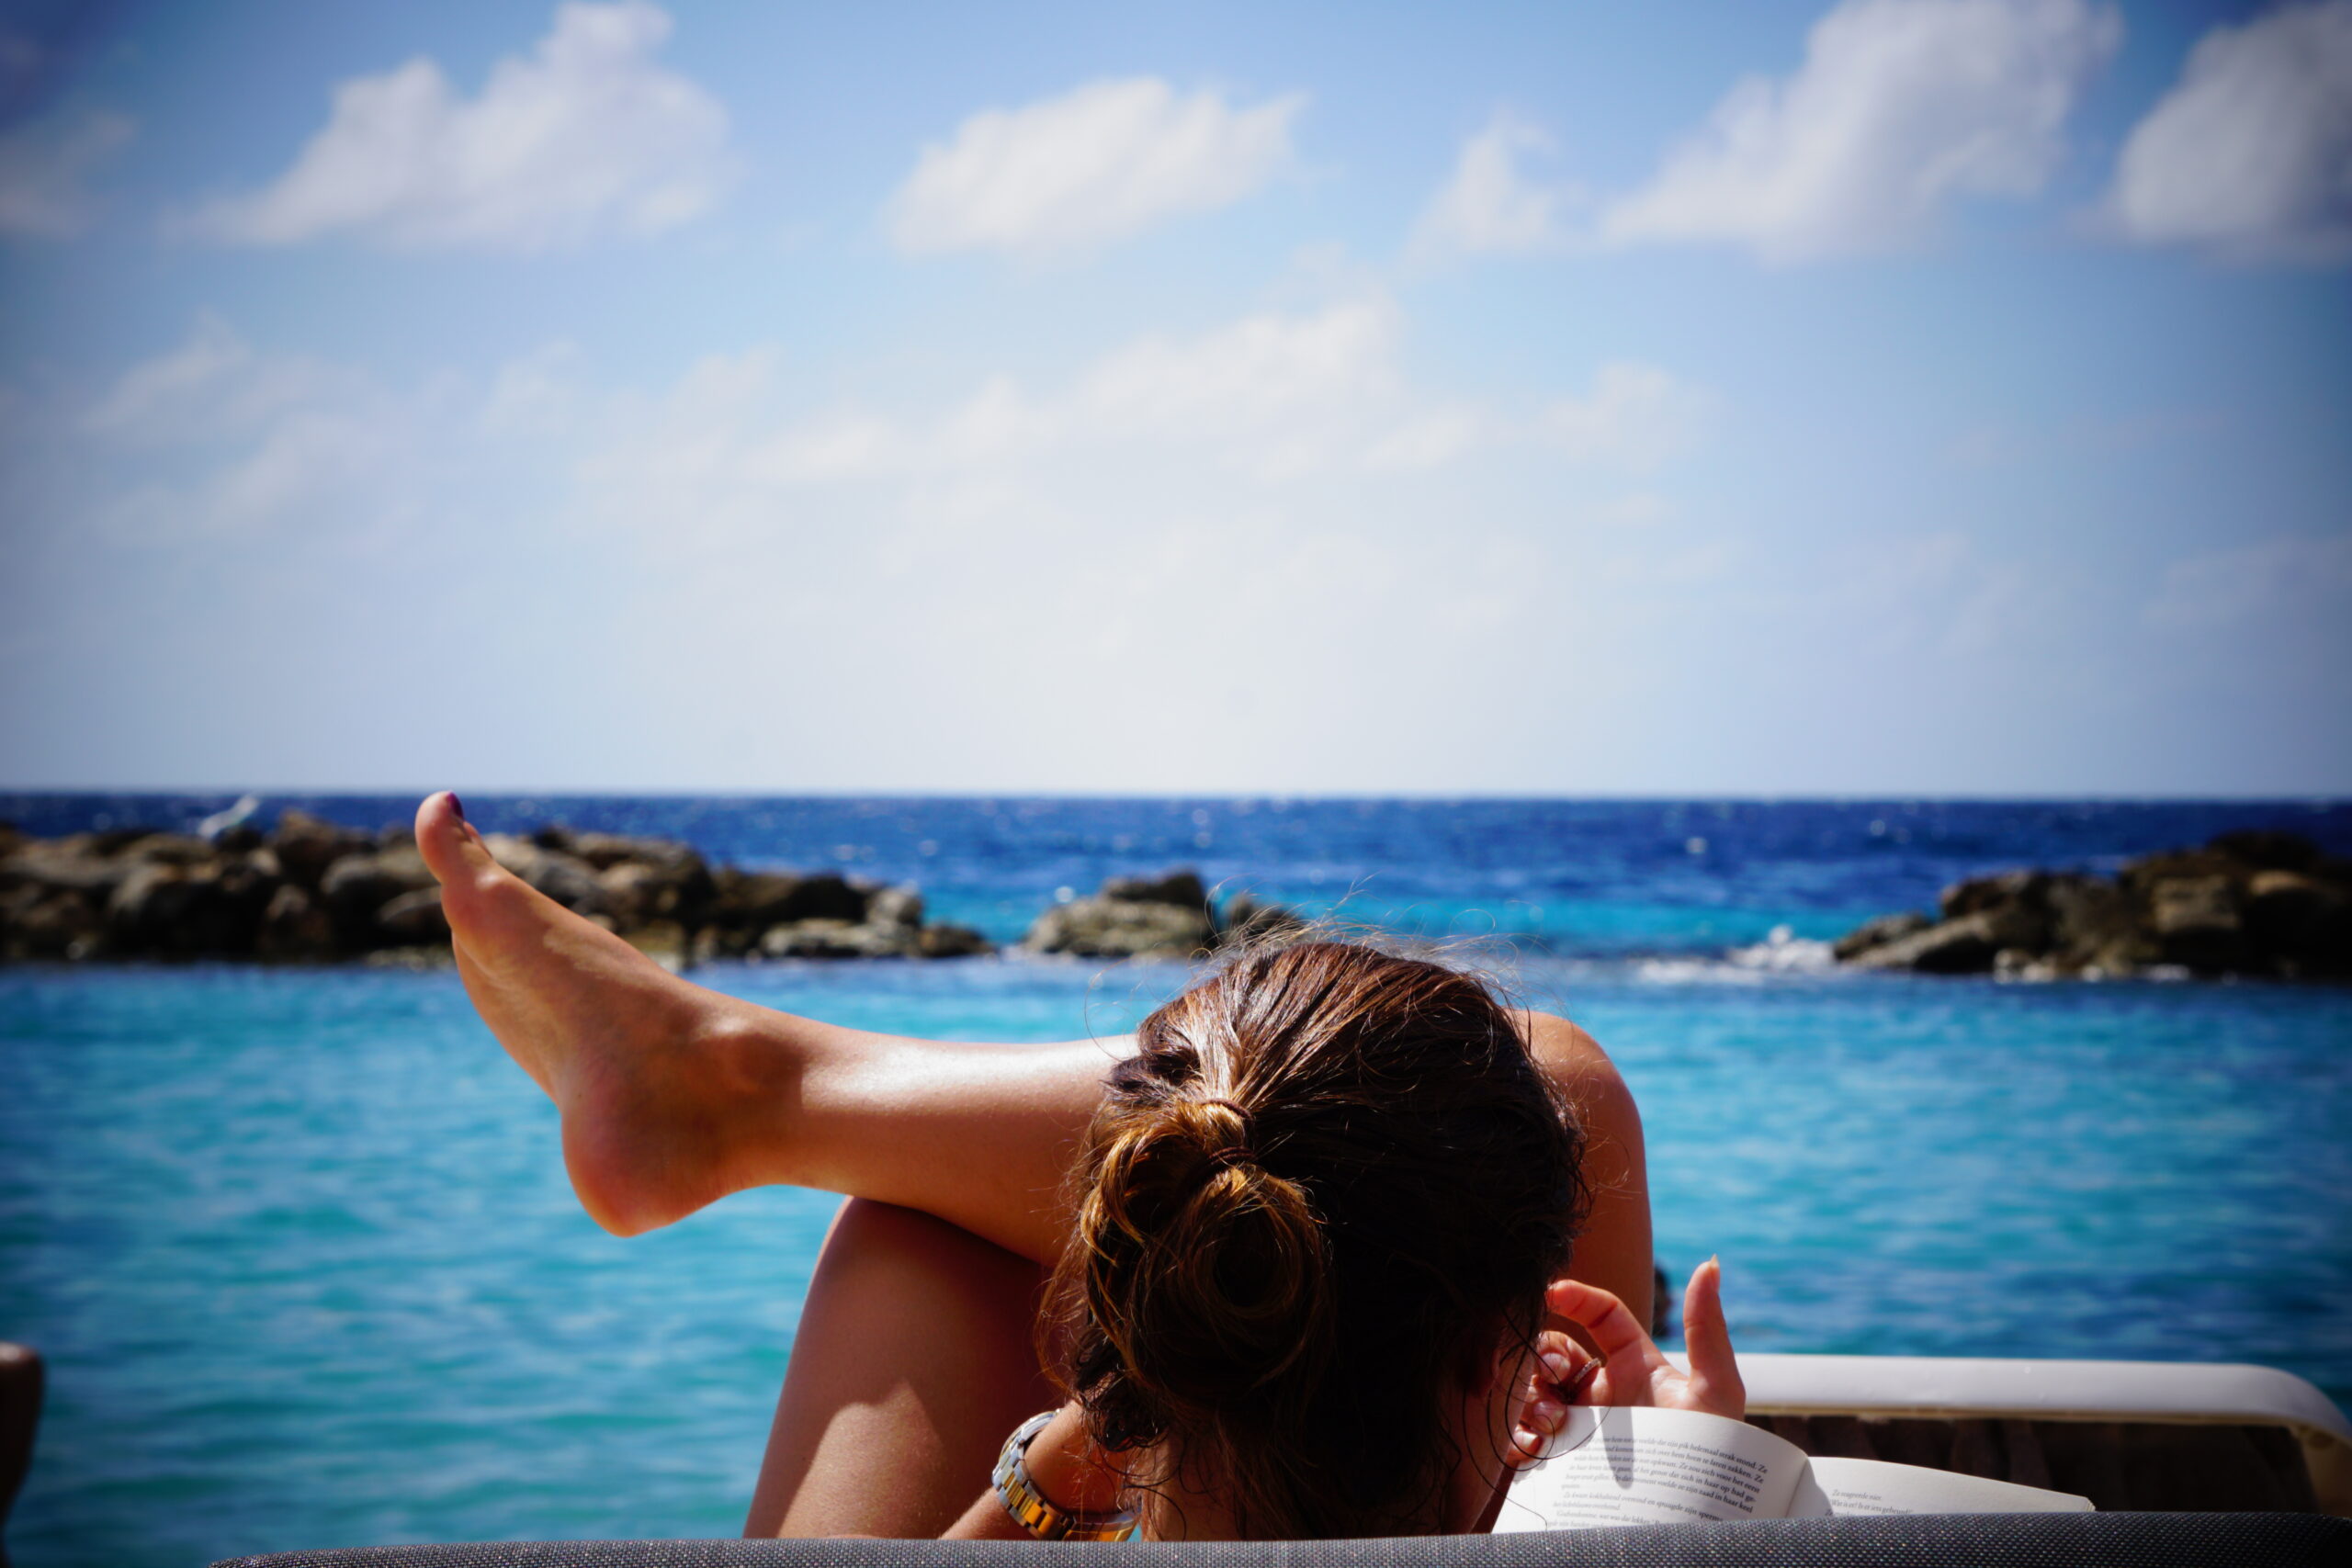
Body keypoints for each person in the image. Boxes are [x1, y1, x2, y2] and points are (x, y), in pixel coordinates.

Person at [411, 791, 1744, 1541]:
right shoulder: (1623, 1518)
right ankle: (747, 1091)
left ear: (1150, 1363)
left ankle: (750, 1089)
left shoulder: (1089, 1439)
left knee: (924, 1228)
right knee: (1552, 1086)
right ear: (1499, 1373)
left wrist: (1050, 1476)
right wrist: (1679, 1496)